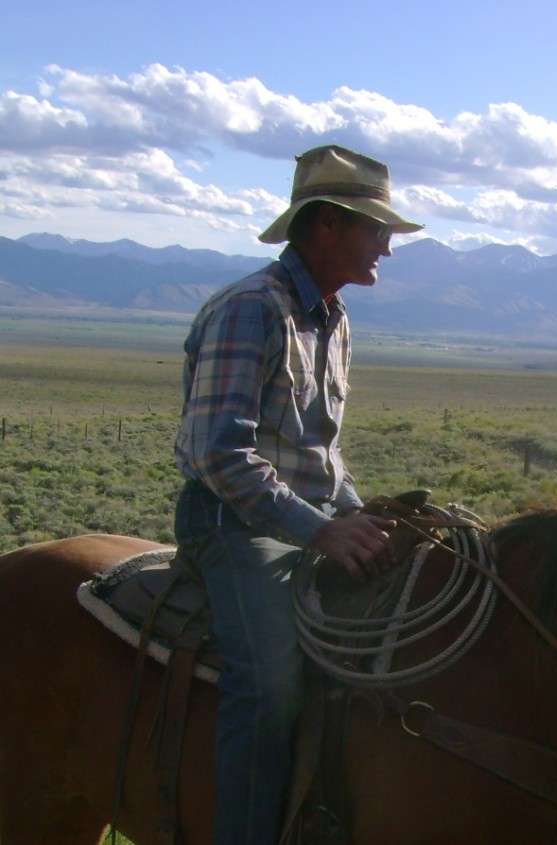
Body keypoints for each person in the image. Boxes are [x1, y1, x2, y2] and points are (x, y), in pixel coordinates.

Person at [173, 144, 422, 844]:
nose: (387, 249)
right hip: (230, 521)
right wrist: (321, 531)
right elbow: (219, 453)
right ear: (325, 227)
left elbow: (320, 452)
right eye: (377, 230)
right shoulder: (253, 310)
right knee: (271, 684)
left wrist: (359, 512)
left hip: (305, 518)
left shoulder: (334, 321)